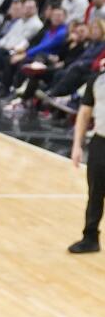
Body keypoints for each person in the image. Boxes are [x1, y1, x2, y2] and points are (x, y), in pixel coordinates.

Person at [69, 67, 105, 253]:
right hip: (100, 141)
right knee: (95, 192)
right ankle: (90, 237)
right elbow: (84, 114)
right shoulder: (97, 79)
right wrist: (77, 145)